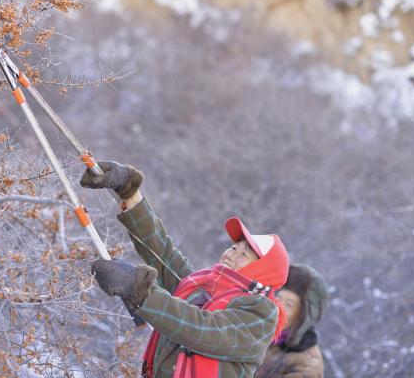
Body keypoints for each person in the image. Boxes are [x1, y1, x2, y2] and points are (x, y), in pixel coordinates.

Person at [80, 161, 290, 378]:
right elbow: (163, 256)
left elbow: (202, 330)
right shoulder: (202, 287)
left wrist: (140, 289)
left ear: (262, 271)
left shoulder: (262, 314)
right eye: (233, 247)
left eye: (243, 254)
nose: (229, 254)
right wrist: (130, 193)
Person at [254, 264, 329, 378]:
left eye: (289, 304)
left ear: (302, 316)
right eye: (279, 299)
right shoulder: (257, 332)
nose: (278, 307)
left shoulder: (307, 364)